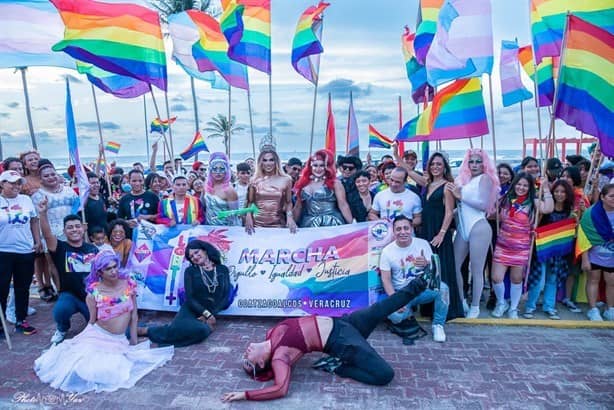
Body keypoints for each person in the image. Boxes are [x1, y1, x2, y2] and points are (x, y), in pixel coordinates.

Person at [221, 274, 433, 402]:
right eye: (248, 362)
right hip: (342, 343)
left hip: (344, 323)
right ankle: (338, 367)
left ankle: (422, 282)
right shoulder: (280, 357)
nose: (245, 354)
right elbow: (280, 388)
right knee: (385, 375)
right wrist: (245, 395)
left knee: (381, 308)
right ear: (260, 362)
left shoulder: (270, 335)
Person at [34, 251, 174, 393]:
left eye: (115, 267)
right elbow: (92, 320)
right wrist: (82, 338)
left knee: (115, 372)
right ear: (99, 272)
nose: (113, 271)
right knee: (86, 369)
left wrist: (133, 340)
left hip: (119, 340)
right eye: (108, 269)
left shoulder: (129, 284)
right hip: (98, 336)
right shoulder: (94, 293)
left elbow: (134, 315)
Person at [138, 240, 235, 346]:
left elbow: (224, 297)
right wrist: (206, 315)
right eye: (192, 256)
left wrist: (210, 314)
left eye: (197, 252)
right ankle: (147, 331)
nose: (195, 257)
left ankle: (153, 332)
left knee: (201, 330)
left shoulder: (222, 270)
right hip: (192, 308)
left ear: (205, 251)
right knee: (177, 329)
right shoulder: (190, 271)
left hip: (211, 310)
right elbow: (190, 298)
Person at [491, 172, 553, 319]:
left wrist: (545, 188)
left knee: (516, 278)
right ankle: (501, 303)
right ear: (514, 184)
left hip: (521, 248)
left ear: (530, 187)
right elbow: (491, 212)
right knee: (496, 277)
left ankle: (513, 308)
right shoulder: (505, 199)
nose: (521, 187)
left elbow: (549, 208)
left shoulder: (533, 202)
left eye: (525, 185)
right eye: (519, 184)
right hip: (503, 245)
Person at [37, 197, 99, 345]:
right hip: (69, 294)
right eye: (70, 227)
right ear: (64, 231)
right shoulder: (60, 247)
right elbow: (46, 234)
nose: (74, 230)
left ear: (83, 228)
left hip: (90, 296)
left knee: (96, 328)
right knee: (61, 310)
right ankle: (62, 328)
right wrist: (42, 214)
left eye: (77, 226)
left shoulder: (93, 249)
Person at [447, 149, 499, 318]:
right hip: (463, 228)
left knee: (476, 269)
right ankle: (461, 300)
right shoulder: (464, 181)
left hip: (479, 226)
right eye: (471, 161)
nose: (475, 165)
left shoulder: (485, 179)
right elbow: (460, 208)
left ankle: (475, 306)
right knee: (454, 266)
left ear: (484, 163)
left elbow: (483, 205)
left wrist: (460, 196)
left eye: (478, 161)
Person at [379, 215, 449, 342]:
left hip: (421, 289)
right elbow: (386, 279)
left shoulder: (422, 244)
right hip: (402, 293)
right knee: (395, 317)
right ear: (393, 231)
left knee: (443, 288)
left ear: (411, 229)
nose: (403, 232)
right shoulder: (387, 251)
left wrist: (427, 263)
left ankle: (438, 325)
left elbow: (435, 274)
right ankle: (408, 314)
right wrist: (395, 300)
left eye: (406, 228)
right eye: (398, 229)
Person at [418, 153, 463, 320]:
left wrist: (442, 233)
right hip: (426, 230)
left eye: (439, 164)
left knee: (441, 269)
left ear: (445, 167)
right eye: (433, 164)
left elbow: (449, 212)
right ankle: (428, 308)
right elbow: (410, 172)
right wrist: (397, 157)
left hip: (439, 231)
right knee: (429, 270)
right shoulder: (428, 184)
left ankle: (446, 309)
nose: (435, 167)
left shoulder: (447, 186)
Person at [524, 180, 575, 320]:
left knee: (552, 278)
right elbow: (536, 224)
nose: (559, 194)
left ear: (567, 194)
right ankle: (530, 306)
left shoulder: (570, 210)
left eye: (563, 192)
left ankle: (549, 306)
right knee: (538, 278)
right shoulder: (546, 208)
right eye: (556, 191)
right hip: (542, 249)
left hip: (558, 252)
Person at [0, 170, 41, 335]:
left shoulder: (26, 200)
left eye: (18, 183)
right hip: (3, 250)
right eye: (12, 182)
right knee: (1, 288)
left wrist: (37, 240)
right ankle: (0, 323)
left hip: (25, 250)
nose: (16, 186)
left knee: (23, 287)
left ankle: (21, 320)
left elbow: (34, 220)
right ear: (2, 184)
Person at [32, 161, 78, 302]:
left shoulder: (69, 190)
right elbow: (36, 218)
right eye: (46, 176)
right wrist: (38, 240)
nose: (51, 177)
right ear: (41, 179)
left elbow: (78, 209)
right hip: (50, 234)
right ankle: (60, 291)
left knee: (73, 263)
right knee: (54, 265)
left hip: (71, 232)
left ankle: (75, 290)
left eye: (53, 174)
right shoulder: (37, 195)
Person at [578, 184, 614, 321]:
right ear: (602, 197)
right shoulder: (590, 214)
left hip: (612, 257)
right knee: (593, 280)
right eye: (611, 196)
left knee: (612, 282)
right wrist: (585, 258)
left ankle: (610, 309)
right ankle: (593, 309)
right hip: (594, 256)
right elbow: (583, 236)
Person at [293, 149, 353, 228]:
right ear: (310, 166)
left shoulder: (335, 183)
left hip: (331, 223)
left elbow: (343, 205)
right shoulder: (303, 183)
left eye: (322, 165)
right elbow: (298, 206)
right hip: (309, 224)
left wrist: (352, 225)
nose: (318, 169)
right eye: (315, 165)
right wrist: (292, 222)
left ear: (327, 167)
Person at [245, 147, 296, 234]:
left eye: (271, 160)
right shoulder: (254, 180)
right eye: (265, 160)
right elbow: (250, 202)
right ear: (260, 162)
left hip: (278, 224)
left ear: (276, 162)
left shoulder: (286, 179)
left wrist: (290, 217)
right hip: (256, 225)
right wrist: (248, 216)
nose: (268, 163)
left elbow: (288, 202)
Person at [202, 153, 239, 226]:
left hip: (226, 229)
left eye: (222, 169)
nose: (218, 172)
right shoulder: (206, 186)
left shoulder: (229, 190)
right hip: (208, 228)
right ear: (210, 170)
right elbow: (203, 208)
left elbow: (234, 215)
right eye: (214, 169)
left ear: (226, 171)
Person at [82, 172, 107, 236]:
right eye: (93, 183)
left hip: (104, 236)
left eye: (97, 182)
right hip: (93, 238)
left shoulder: (100, 196)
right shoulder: (83, 202)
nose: (96, 185)